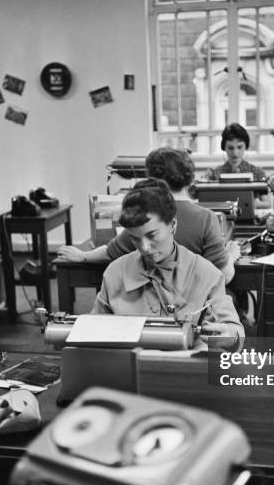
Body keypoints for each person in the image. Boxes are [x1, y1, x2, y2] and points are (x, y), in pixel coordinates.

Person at [91, 180, 244, 350]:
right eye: (135, 239)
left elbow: (233, 331)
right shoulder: (115, 272)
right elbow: (93, 332)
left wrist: (230, 336)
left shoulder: (207, 274)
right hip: (128, 367)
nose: (145, 248)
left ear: (173, 225)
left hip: (185, 369)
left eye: (152, 235)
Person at [58, 148, 241, 283]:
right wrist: (231, 255)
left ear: (152, 177)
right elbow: (224, 276)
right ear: (190, 178)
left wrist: (83, 256)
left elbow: (110, 252)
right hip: (192, 305)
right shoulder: (206, 218)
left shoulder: (143, 213)